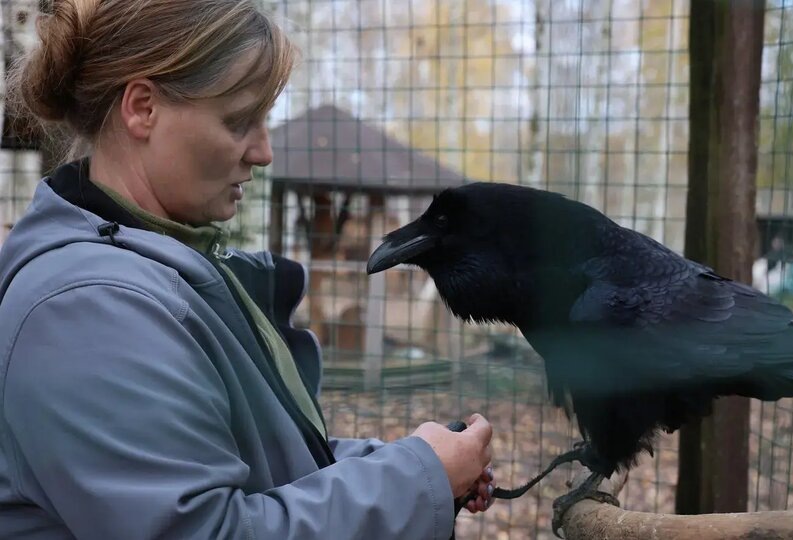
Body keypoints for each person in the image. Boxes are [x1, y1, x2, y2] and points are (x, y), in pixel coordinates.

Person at [0, 1, 494, 538]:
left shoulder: (160, 271)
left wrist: (417, 464)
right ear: (142, 108)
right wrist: (413, 478)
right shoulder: (88, 309)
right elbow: (207, 529)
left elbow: (251, 458)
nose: (263, 152)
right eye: (239, 121)